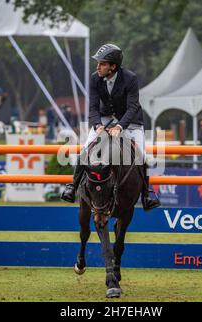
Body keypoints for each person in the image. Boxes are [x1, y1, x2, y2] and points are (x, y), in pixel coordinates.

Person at [61, 43, 160, 211]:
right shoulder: (95, 78)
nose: (98, 67)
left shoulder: (130, 78)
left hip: (131, 121)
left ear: (113, 67)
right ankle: (72, 186)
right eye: (98, 63)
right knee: (85, 150)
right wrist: (98, 125)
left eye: (102, 64)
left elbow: (132, 107)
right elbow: (92, 107)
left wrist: (120, 127)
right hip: (105, 118)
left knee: (143, 156)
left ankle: (147, 194)